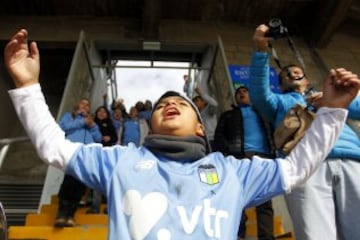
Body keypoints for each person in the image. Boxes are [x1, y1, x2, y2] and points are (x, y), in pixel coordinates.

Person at [5, 29, 360, 240]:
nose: (170, 104)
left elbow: (297, 169)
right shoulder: (120, 161)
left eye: (181, 102)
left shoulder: (233, 171)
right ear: (149, 123)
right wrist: (27, 85)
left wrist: (331, 111)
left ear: (201, 126)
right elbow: (53, 146)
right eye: (162, 103)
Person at [250, 24, 360, 240]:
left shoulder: (328, 94)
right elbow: (259, 94)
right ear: (281, 87)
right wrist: (261, 50)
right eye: (286, 75)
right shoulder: (279, 102)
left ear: (307, 79)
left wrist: (336, 98)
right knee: (315, 233)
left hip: (352, 161)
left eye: (297, 72)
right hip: (305, 165)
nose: (292, 73)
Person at [214, 85, 275, 240]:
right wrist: (229, 153)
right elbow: (219, 136)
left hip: (264, 159)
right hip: (238, 159)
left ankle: (266, 237)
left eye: (244, 91)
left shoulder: (262, 114)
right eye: (238, 93)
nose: (241, 94)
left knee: (265, 203)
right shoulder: (228, 115)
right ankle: (238, 236)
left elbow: (272, 132)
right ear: (235, 99)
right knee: (237, 200)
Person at [54, 97, 102, 227]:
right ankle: (61, 214)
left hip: (86, 155)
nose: (85, 106)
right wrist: (82, 121)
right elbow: (62, 127)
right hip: (72, 152)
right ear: (77, 105)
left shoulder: (92, 121)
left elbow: (98, 138)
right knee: (69, 182)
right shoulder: (70, 116)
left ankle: (70, 215)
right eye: (83, 103)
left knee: (80, 185)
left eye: (88, 105)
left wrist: (92, 126)